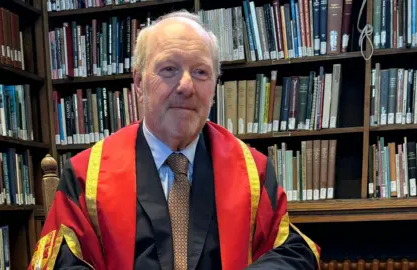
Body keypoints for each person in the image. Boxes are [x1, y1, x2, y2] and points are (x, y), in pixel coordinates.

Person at [28, 10, 321, 270]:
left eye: (200, 72)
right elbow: (61, 263)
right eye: (169, 69)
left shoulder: (253, 172)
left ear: (215, 86)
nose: (185, 86)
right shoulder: (85, 175)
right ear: (139, 84)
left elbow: (293, 251)